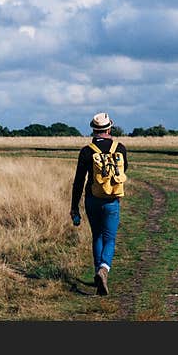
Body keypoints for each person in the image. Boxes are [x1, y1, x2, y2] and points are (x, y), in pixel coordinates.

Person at [70, 112, 129, 296]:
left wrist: (74, 207)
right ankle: (104, 269)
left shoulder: (86, 151)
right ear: (109, 128)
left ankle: (98, 273)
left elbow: (79, 181)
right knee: (110, 238)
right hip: (112, 200)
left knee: (97, 236)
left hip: (92, 200)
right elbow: (123, 171)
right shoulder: (120, 148)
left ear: (93, 130)